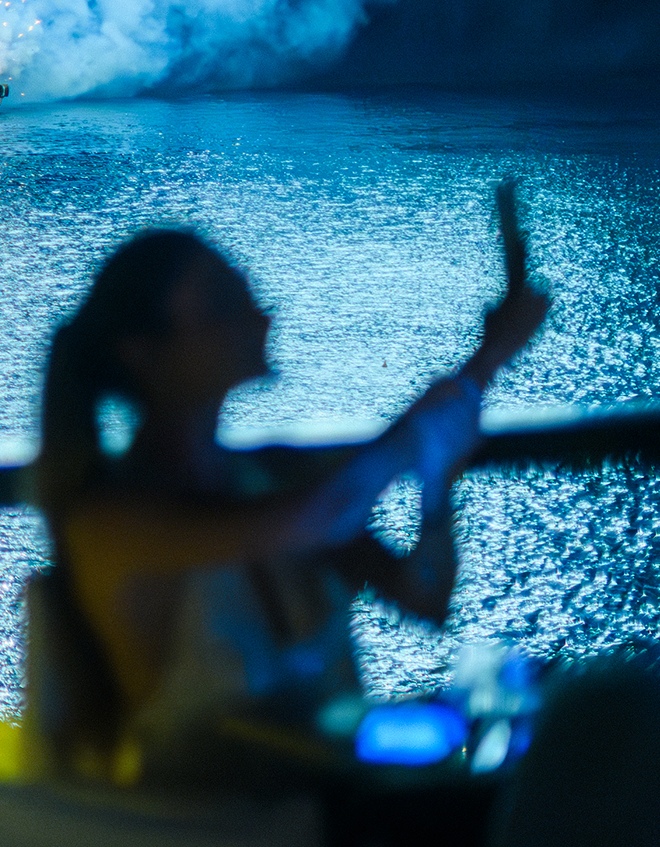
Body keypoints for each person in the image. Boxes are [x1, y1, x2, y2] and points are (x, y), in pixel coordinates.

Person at [29, 223, 549, 818]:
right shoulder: (112, 526)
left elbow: (424, 596)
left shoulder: (270, 485)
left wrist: (438, 477)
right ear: (141, 352)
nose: (260, 317)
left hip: (333, 811)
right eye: (223, 304)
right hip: (201, 831)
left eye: (246, 296)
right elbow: (327, 512)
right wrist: (483, 364)